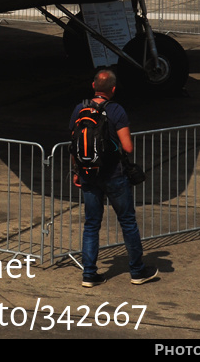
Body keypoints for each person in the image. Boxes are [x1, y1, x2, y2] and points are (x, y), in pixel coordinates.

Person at [69, 68, 158, 287]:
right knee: (127, 223)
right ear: (114, 89)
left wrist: (76, 172)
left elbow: (74, 146)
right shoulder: (116, 110)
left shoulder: (80, 108)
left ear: (93, 86)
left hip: (88, 175)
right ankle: (137, 271)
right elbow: (127, 146)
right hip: (114, 175)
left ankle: (89, 274)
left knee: (91, 225)